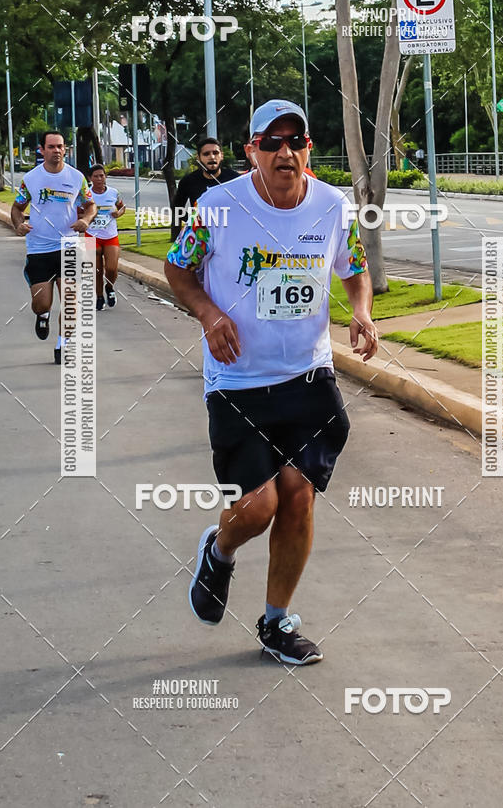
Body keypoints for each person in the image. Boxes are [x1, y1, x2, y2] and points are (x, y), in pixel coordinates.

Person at [165, 99, 377, 665]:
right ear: (250, 150)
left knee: (299, 497)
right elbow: (177, 269)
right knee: (256, 509)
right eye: (272, 142)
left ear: (308, 149)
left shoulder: (332, 205)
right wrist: (210, 315)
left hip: (307, 377)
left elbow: (355, 269)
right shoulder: (217, 206)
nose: (285, 152)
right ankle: (219, 552)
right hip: (238, 381)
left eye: (296, 142)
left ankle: (277, 623)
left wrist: (362, 311)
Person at [11, 130, 96, 364]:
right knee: (41, 303)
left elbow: (90, 205)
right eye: (51, 147)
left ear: (65, 149)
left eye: (60, 146)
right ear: (42, 150)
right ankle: (43, 315)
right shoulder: (31, 179)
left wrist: (85, 220)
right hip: (39, 248)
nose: (56, 151)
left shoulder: (77, 177)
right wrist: (19, 224)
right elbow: (17, 208)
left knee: (70, 300)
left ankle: (63, 345)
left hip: (69, 246)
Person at [171, 137, 239, 240]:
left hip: (230, 236)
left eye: (215, 153)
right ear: (198, 158)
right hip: (201, 239)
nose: (212, 157)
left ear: (222, 156)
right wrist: (194, 222)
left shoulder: (235, 179)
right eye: (206, 154)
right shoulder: (188, 181)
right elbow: (177, 207)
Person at [86, 164, 126, 309]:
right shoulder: (86, 194)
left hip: (110, 235)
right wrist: (87, 217)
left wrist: (118, 213)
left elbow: (122, 207)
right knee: (96, 270)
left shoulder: (113, 192)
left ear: (105, 177)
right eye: (95, 176)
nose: (99, 179)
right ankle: (99, 297)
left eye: (101, 175)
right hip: (91, 236)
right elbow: (77, 211)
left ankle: (109, 287)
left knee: (111, 268)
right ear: (90, 178)